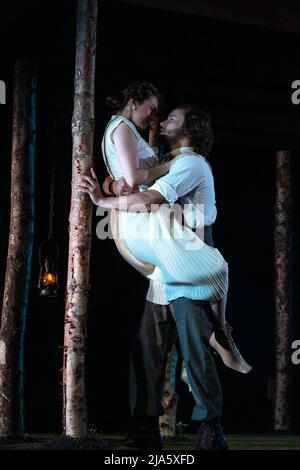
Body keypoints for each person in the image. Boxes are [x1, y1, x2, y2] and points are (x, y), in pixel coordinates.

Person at [77, 91, 251, 449]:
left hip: (189, 254)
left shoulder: (192, 164)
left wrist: (102, 200)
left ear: (191, 128)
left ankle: (210, 427)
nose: (163, 120)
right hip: (166, 260)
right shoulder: (173, 161)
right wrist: (111, 184)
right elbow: (138, 179)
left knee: (194, 347)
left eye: (173, 117)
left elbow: (148, 199)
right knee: (148, 347)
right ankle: (144, 428)